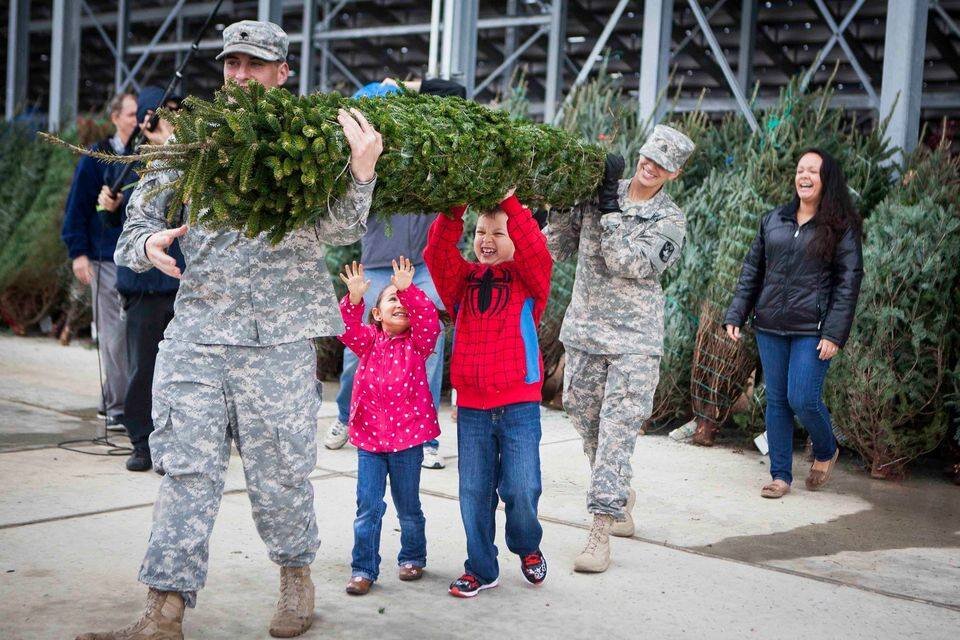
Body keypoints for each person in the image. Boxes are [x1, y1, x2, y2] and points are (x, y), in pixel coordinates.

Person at [76, 20, 384, 640]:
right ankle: (164, 608)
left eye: (254, 63)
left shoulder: (308, 141)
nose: (240, 74)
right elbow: (138, 224)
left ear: (281, 73)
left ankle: (296, 576)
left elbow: (339, 232)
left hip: (279, 339)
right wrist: (147, 247)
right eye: (231, 63)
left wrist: (359, 173)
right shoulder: (190, 143)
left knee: (283, 472)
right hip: (198, 333)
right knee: (185, 470)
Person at [545, 124, 695, 574]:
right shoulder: (598, 194)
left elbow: (626, 263)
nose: (650, 167)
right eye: (648, 157)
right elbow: (558, 248)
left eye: (662, 165)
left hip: (635, 341)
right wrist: (560, 204)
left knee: (616, 433)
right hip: (586, 331)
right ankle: (618, 492)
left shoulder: (670, 221)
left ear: (675, 172)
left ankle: (598, 533)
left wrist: (609, 205)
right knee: (582, 417)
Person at [324, 77, 468, 470]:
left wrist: (406, 84)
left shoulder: (425, 155)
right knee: (361, 353)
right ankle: (344, 418)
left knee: (429, 348)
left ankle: (427, 438)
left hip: (420, 269)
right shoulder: (362, 164)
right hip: (375, 267)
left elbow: (457, 95)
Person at [423, 189, 553, 598]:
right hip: (475, 409)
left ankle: (527, 545)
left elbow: (536, 252)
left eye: (498, 232)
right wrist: (456, 203)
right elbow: (437, 253)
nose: (487, 239)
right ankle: (480, 567)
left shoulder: (529, 281)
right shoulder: (461, 283)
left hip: (518, 405)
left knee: (521, 487)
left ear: (514, 236)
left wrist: (513, 206)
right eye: (481, 231)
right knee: (474, 494)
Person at [724, 148, 863, 499]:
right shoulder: (773, 220)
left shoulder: (840, 228)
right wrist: (736, 313)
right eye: (801, 169)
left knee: (802, 397)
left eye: (813, 171)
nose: (805, 176)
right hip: (770, 324)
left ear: (826, 179)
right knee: (778, 401)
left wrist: (834, 333)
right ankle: (781, 475)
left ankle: (826, 447)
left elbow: (849, 283)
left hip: (812, 330)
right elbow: (752, 271)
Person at [337, 258, 441, 595]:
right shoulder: (367, 342)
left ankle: (412, 555)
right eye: (391, 299)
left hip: (407, 443)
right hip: (370, 442)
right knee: (368, 507)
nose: (400, 303)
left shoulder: (417, 344)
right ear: (377, 314)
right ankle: (363, 568)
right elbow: (347, 328)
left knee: (408, 506)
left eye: (403, 300)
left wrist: (408, 290)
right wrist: (354, 299)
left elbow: (428, 319)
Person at [97, 87, 185, 472]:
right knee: (143, 369)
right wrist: (108, 209)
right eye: (159, 113)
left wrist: (171, 146)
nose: (166, 119)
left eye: (173, 112)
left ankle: (175, 444)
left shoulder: (187, 157)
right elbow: (116, 224)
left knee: (182, 373)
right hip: (143, 286)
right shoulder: (129, 163)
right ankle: (141, 441)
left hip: (183, 283)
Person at [61, 92, 138, 430]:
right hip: (104, 258)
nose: (138, 121)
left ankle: (117, 401)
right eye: (133, 114)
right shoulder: (94, 160)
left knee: (131, 335)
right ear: (116, 118)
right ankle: (118, 405)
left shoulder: (144, 156)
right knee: (113, 335)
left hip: (136, 259)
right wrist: (79, 254)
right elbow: (76, 208)